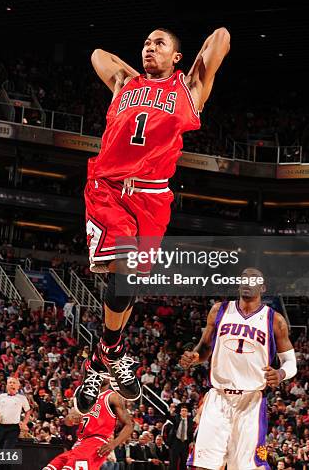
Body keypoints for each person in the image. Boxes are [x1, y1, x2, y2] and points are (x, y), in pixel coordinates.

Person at [75, 26, 231, 413]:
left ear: (177, 57)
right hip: (109, 187)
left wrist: (190, 68)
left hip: (153, 195)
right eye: (145, 42)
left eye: (159, 44)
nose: (149, 47)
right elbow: (97, 53)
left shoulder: (189, 88)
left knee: (129, 284)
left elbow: (221, 37)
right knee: (124, 267)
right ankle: (113, 350)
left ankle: (103, 358)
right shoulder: (125, 84)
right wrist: (138, 77)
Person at [180, 268, 297, 470]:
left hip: (250, 401)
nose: (247, 282)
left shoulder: (275, 320)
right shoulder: (219, 310)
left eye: (253, 280)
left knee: (247, 467)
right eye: (243, 278)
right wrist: (194, 357)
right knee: (203, 464)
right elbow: (205, 348)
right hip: (218, 397)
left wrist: (280, 374)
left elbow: (291, 363)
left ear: (263, 287)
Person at [43, 380, 133, 470]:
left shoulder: (112, 397)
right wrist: (71, 418)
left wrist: (113, 444)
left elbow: (129, 425)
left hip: (97, 442)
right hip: (80, 443)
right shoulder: (82, 395)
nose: (100, 373)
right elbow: (67, 421)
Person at [0, 377, 31, 450]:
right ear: (7, 385)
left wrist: (24, 423)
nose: (12, 384)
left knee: (7, 449)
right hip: (0, 427)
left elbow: (28, 411)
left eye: (14, 383)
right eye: (10, 383)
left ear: (17, 386)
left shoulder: (22, 398)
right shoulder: (1, 397)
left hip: (13, 428)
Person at [167, 405, 193, 470]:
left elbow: (190, 432)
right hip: (176, 442)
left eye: (185, 411)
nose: (184, 412)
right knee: (173, 462)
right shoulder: (176, 418)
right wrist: (171, 412)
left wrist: (191, 441)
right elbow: (169, 417)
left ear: (187, 413)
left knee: (184, 462)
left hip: (185, 443)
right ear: (180, 412)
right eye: (182, 411)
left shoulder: (190, 421)